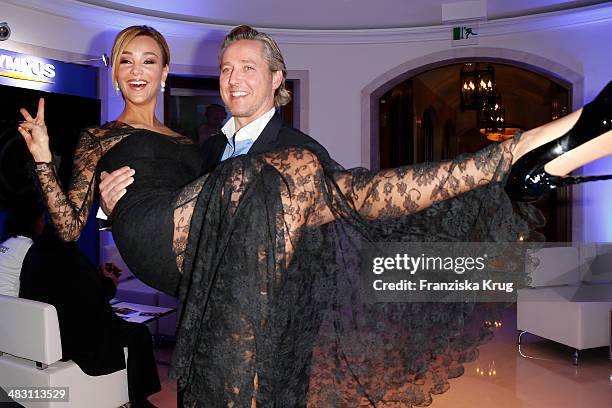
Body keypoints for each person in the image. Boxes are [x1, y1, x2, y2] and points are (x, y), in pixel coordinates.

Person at [17, 23, 612, 406]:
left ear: (166, 72)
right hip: (153, 231)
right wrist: (51, 161)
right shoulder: (102, 137)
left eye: (150, 60)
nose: (138, 70)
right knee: (296, 174)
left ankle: (529, 154)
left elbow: (226, 210)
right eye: (126, 60)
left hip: (219, 268)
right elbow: (69, 227)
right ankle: (517, 159)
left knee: (327, 183)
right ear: (115, 70)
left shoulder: (192, 144)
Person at [19, 225, 161, 408]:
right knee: (139, 333)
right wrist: (109, 283)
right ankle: (139, 400)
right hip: (77, 340)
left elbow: (74, 289)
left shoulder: (37, 251)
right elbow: (92, 296)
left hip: (53, 332)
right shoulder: (67, 255)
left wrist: (97, 276)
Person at [0, 206, 45, 297]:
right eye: (42, 220)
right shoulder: (30, 247)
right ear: (33, 223)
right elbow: (30, 286)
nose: (43, 224)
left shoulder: (5, 241)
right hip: (10, 303)